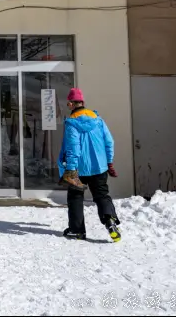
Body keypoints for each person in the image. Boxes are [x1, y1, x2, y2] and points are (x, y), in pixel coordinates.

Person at [58, 87, 121, 242]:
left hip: (79, 168)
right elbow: (109, 142)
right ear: (83, 102)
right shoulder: (98, 120)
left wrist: (71, 169)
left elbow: (73, 148)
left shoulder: (72, 123)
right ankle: (110, 221)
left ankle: (77, 230)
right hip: (100, 167)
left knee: (75, 197)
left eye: (69, 104)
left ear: (71, 104)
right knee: (101, 195)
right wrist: (109, 161)